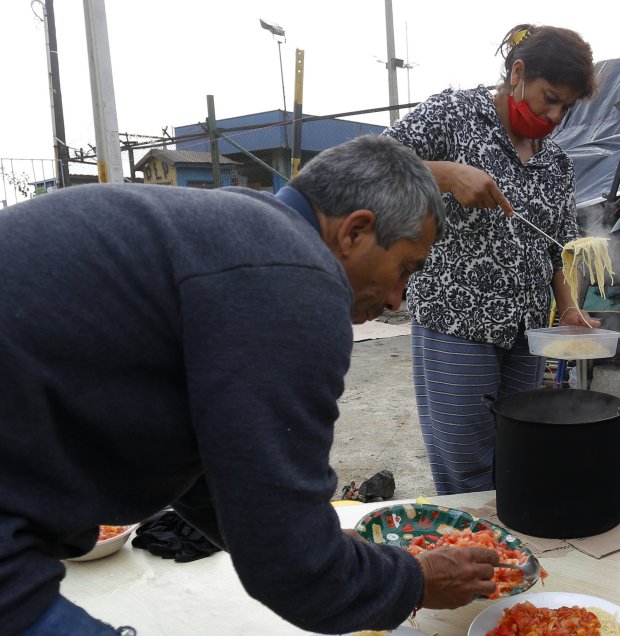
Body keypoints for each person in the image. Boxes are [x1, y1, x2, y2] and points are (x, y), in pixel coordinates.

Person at [0, 135, 501, 636]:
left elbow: (228, 484)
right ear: (355, 232)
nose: (396, 300)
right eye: (405, 270)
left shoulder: (247, 236)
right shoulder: (292, 278)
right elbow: (295, 567)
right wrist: (412, 580)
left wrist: (340, 558)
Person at [383, 24, 598, 494]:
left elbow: (561, 248)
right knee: (466, 467)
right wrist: (445, 174)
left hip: (526, 336)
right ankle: (471, 559)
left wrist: (568, 309)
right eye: (550, 98)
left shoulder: (556, 162)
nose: (556, 115)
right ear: (518, 73)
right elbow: (368, 165)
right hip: (456, 323)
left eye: (567, 107)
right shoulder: (454, 115)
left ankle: (510, 559)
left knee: (517, 457)